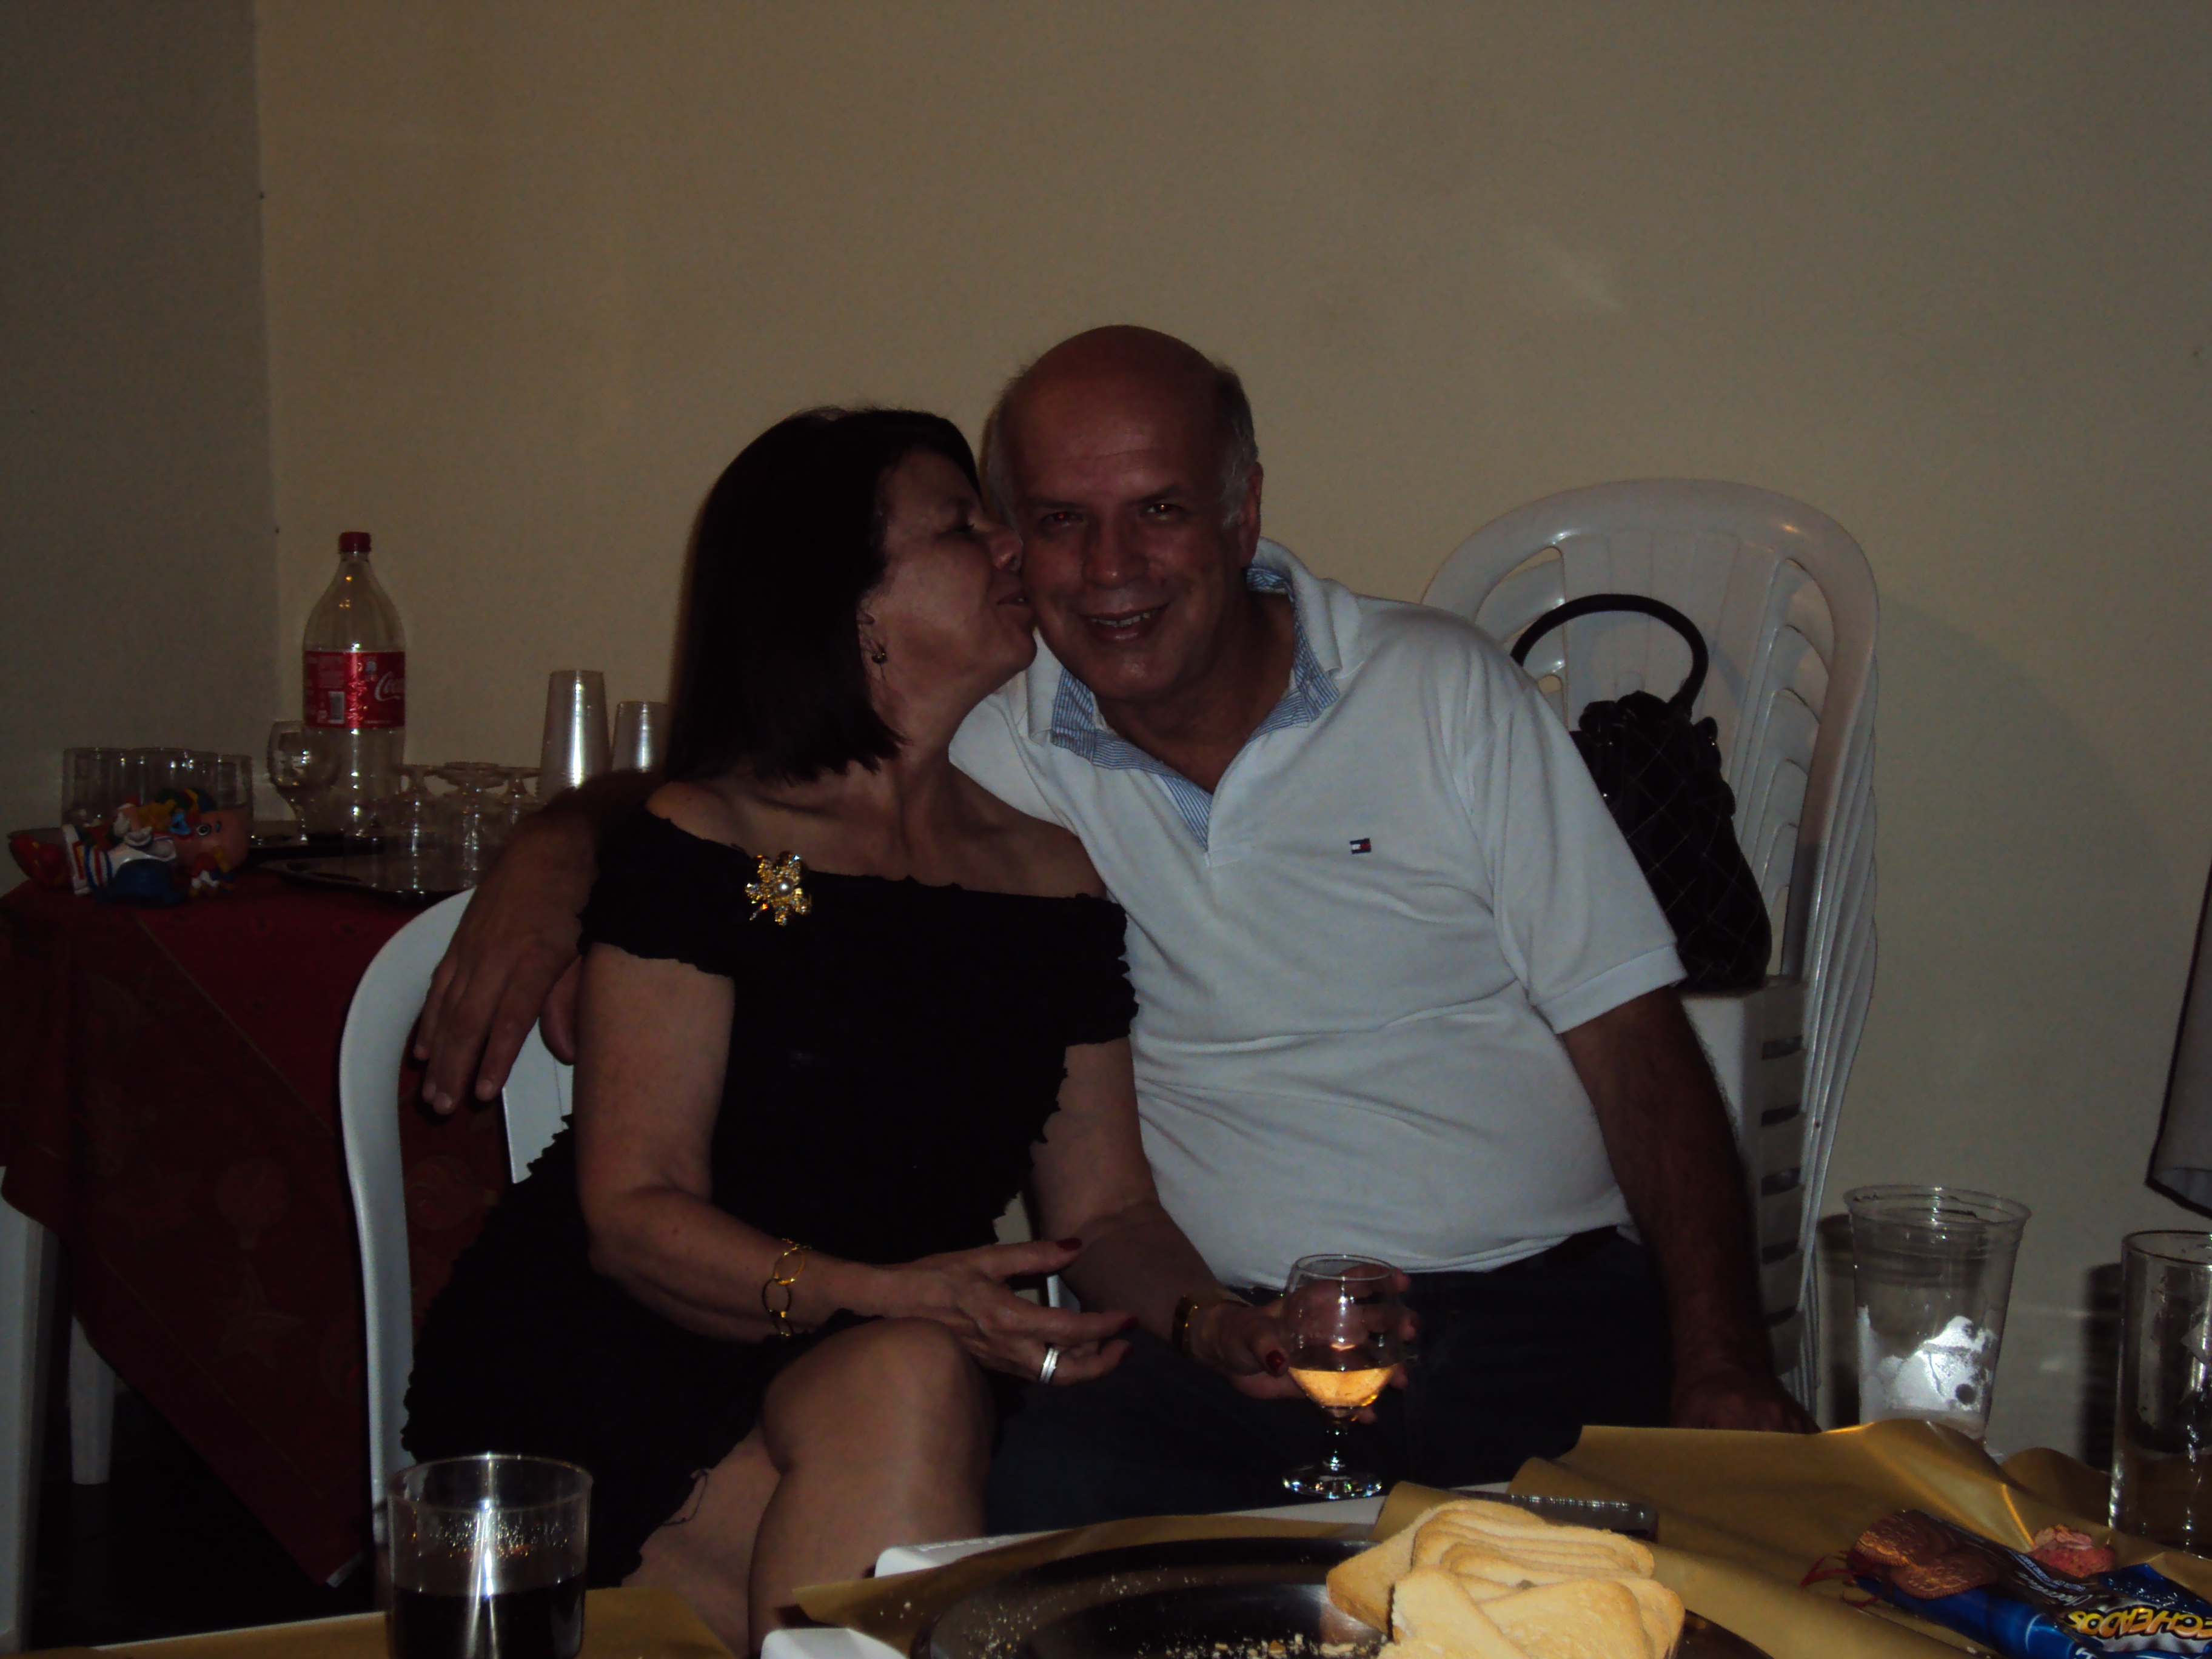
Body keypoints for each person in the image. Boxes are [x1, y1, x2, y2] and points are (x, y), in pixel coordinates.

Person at [412, 329, 1812, 1537]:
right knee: (1043, 1508)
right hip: (1122, 1354)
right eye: (1044, 522)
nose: (1101, 568)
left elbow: (1635, 1041)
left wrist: (1724, 1363)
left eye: (1159, 510)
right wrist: (557, 844)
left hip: (1527, 1317)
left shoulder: (1415, 705)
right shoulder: (988, 751)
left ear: (1243, 516)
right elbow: (741, 789)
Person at [401, 407, 1278, 1654]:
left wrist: (1214, 1322)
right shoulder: (714, 841)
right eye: (962, 528)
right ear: (848, 599)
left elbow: (1112, 1212)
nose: (1015, 548)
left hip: (884, 1371)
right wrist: (894, 1293)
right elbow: (631, 1215)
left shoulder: (1049, 876)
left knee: (920, 1416)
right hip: (628, 1363)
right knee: (936, 1474)